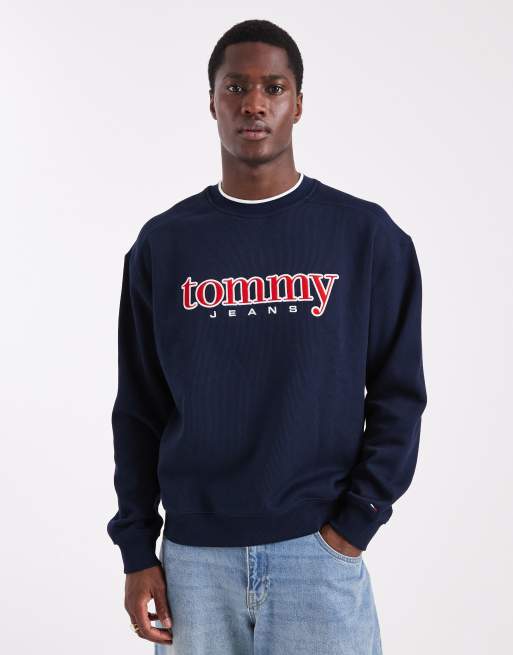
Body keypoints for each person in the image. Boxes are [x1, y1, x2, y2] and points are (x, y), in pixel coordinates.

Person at [107, 18, 427, 655]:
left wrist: (352, 527)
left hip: (317, 551)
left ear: (298, 103)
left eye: (273, 88)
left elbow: (400, 395)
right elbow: (139, 408)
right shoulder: (164, 245)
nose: (254, 103)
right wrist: (138, 549)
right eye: (236, 87)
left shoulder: (365, 237)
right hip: (193, 562)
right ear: (212, 102)